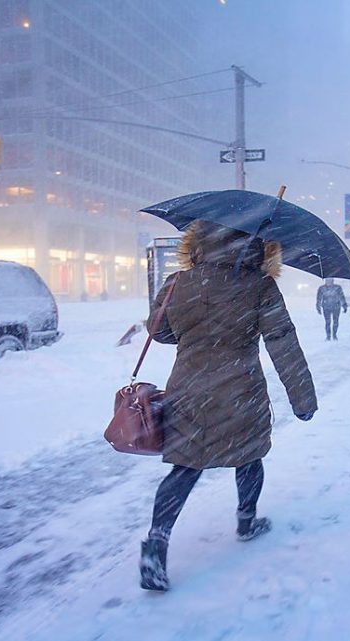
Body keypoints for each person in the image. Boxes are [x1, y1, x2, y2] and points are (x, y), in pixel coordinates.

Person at [141, 222, 317, 591]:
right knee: (249, 456)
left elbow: (160, 332)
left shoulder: (179, 282)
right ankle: (246, 520)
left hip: (188, 389)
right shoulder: (260, 286)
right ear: (256, 247)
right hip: (241, 389)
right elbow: (281, 341)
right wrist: (302, 398)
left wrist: (196, 329)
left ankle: (156, 544)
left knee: (185, 467)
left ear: (199, 243)